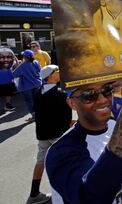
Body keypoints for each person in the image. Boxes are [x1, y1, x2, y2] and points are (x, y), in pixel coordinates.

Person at [45, 58, 122, 203]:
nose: (102, 100)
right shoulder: (60, 151)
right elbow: (91, 197)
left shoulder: (117, 126)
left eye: (107, 90)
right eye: (89, 95)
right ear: (72, 103)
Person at [27, 65, 72, 204]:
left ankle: (34, 194)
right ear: (51, 75)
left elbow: (37, 110)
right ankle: (69, 195)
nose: (60, 72)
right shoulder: (60, 93)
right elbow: (68, 113)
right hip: (58, 134)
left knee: (41, 162)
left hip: (42, 133)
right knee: (68, 163)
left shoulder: (37, 91)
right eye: (58, 70)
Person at [13, 50, 42, 121]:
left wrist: (17, 65)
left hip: (27, 87)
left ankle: (34, 116)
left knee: (29, 102)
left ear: (25, 57)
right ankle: (39, 114)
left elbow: (14, 74)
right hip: (37, 84)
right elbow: (39, 70)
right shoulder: (36, 62)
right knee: (37, 100)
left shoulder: (23, 65)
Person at [0, 47, 17, 112]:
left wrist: (16, 60)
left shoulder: (13, 61)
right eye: (2, 56)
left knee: (8, 94)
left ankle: (8, 105)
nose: (5, 59)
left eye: (8, 56)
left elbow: (16, 68)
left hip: (9, 81)